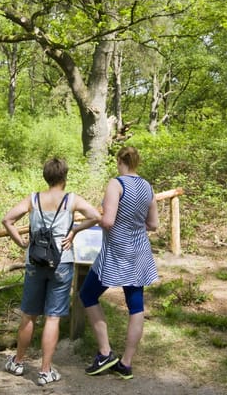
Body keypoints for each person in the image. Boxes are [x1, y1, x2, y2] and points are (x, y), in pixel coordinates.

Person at [2, 157, 101, 386]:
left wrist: (21, 243)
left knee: (29, 315)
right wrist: (75, 230)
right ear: (64, 176)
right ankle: (45, 371)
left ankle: (18, 362)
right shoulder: (71, 200)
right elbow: (96, 216)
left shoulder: (33, 199)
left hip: (35, 261)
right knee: (53, 317)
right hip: (62, 262)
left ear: (45, 176)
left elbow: (7, 220)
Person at [79, 146, 159, 380]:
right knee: (136, 306)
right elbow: (153, 224)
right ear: (136, 162)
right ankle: (126, 363)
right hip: (139, 251)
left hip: (116, 252)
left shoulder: (116, 184)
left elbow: (108, 221)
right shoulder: (147, 186)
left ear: (119, 161)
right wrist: (135, 226)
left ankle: (105, 353)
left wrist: (94, 219)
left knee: (87, 295)